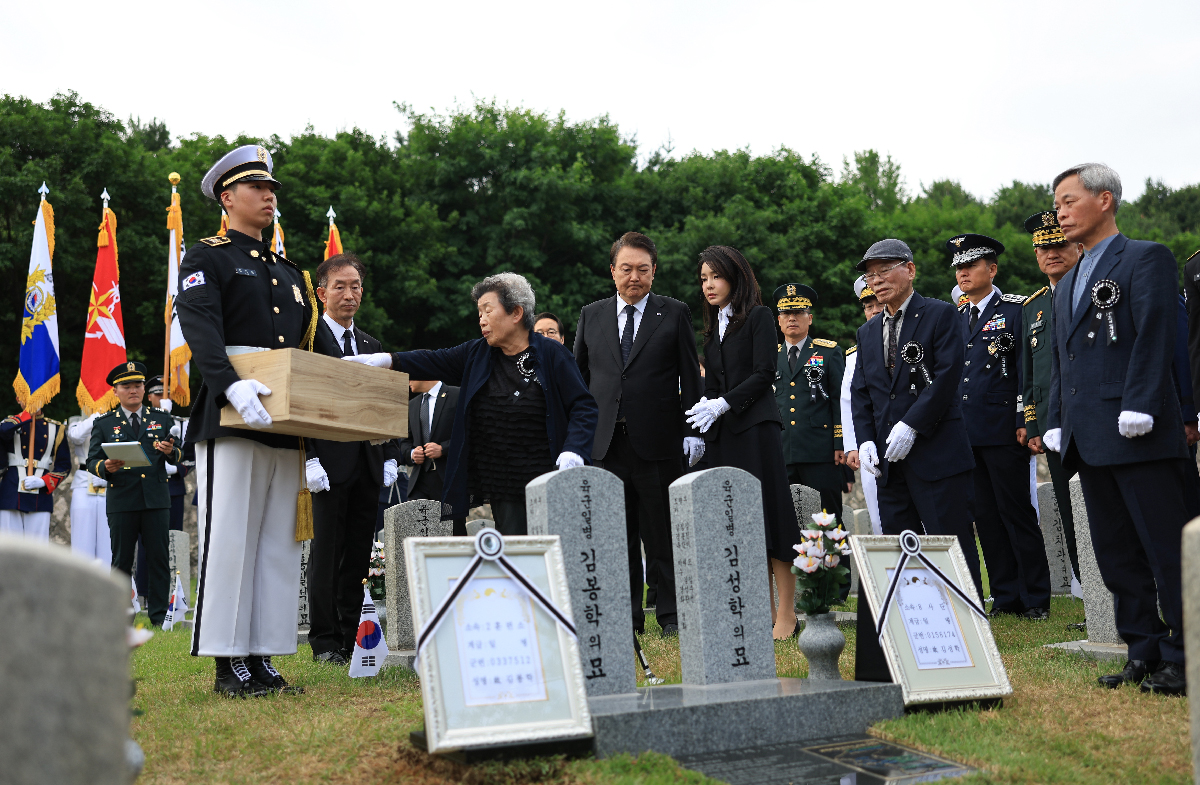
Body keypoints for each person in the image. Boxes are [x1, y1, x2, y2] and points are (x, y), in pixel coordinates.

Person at [175, 144, 316, 697]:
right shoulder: (206, 256)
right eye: (258, 188)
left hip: (283, 417)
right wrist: (228, 381)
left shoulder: (287, 270)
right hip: (230, 410)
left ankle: (262, 654)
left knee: (277, 542)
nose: (269, 196)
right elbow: (200, 326)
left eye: (272, 188)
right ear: (227, 197)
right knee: (230, 535)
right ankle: (226, 659)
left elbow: (308, 345)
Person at [1045, 162, 1190, 695]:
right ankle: (1143, 649)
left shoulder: (1145, 257)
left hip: (1140, 430)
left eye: (1068, 200)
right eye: (1056, 203)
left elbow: (1155, 333)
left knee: (1166, 550)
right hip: (1089, 437)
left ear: (1105, 199)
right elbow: (1063, 361)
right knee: (1117, 554)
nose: (1059, 212)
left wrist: (1143, 402)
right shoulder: (1068, 282)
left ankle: (1184, 655)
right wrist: (1057, 418)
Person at [346, 272, 598, 535]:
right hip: (504, 482)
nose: (482, 319)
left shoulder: (550, 353)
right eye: (479, 312)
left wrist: (574, 450)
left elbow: (583, 406)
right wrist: (387, 360)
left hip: (549, 476)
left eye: (488, 310)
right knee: (517, 555)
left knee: (556, 556)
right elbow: (433, 360)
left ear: (516, 313)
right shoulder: (478, 354)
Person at [573, 231, 704, 637]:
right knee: (617, 535)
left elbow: (690, 376)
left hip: (659, 441)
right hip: (606, 443)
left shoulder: (674, 312)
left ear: (654, 272)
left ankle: (671, 616)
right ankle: (626, 619)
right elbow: (580, 380)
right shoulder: (590, 315)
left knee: (662, 531)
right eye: (626, 269)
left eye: (642, 270)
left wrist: (691, 429)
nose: (634, 277)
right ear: (612, 271)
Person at [849, 239, 983, 599]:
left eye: (884, 270)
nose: (876, 281)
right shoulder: (866, 332)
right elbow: (862, 392)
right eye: (870, 275)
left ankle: (966, 611)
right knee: (899, 540)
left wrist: (912, 424)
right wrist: (864, 441)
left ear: (909, 269)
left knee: (948, 539)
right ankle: (916, 616)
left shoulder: (941, 314)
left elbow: (946, 377)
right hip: (889, 461)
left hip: (936, 451)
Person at [687, 246, 801, 640]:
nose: (708, 285)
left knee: (771, 515)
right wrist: (704, 412)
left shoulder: (758, 316)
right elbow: (712, 385)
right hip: (723, 434)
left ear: (735, 275)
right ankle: (759, 609)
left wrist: (723, 403)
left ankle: (787, 613)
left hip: (755, 430)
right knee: (739, 522)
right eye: (703, 279)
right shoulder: (711, 325)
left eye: (715, 277)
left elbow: (763, 372)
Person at [303, 253, 403, 666]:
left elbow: (381, 405)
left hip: (367, 462)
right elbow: (304, 402)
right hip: (326, 464)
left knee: (359, 552)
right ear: (321, 292)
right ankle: (324, 640)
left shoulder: (370, 345)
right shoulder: (308, 342)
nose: (349, 294)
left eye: (356, 286)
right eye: (340, 286)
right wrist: (308, 458)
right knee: (326, 552)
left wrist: (390, 454)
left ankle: (349, 634)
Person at [950, 233, 1052, 619]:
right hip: (966, 432)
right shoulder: (955, 316)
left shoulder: (1016, 309)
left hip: (1005, 428)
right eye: (958, 267)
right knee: (986, 520)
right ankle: (1006, 596)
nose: (963, 272)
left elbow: (1027, 368)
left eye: (970, 265)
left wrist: (1025, 418)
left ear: (991, 269)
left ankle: (1035, 596)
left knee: (1016, 513)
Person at [85, 362, 182, 626]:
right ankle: (120, 614)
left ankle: (160, 615)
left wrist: (169, 451)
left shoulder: (161, 418)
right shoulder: (104, 423)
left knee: (159, 558)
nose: (133, 391)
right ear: (115, 391)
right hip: (122, 498)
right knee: (121, 559)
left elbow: (180, 452)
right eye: (126, 386)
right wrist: (104, 467)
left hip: (155, 498)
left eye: (138, 385)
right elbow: (91, 460)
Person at [1021, 210, 1084, 582]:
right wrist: (1032, 423)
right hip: (1052, 424)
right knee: (1069, 509)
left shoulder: (1093, 289)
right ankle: (1091, 601)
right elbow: (1030, 373)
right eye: (1043, 248)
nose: (1051, 254)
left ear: (1077, 244)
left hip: (1093, 418)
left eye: (1058, 245)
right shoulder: (1034, 307)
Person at [773, 283, 845, 526]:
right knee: (790, 523)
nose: (792, 318)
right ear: (779, 320)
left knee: (828, 521)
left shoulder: (829, 352)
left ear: (810, 318)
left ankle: (835, 565)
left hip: (820, 451)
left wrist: (840, 443)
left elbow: (839, 401)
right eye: (786, 314)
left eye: (799, 313)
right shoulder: (770, 357)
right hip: (782, 452)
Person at [840, 278, 884, 534]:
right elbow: (848, 400)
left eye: (878, 303)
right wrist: (851, 446)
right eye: (869, 306)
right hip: (870, 445)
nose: (875, 310)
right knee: (878, 518)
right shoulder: (854, 355)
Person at [400, 378, 464, 533]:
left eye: (410, 376)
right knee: (417, 536)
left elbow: (470, 433)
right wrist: (412, 453)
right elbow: (403, 442)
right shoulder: (412, 405)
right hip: (419, 481)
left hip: (448, 480)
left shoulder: (457, 395)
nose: (407, 381)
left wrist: (443, 449)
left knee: (454, 535)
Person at [0, 408, 69, 540]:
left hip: (40, 494)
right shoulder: (10, 423)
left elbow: (64, 465)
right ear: (18, 399)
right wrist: (27, 414)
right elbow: (3, 432)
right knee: (9, 550)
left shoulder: (55, 428)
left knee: (38, 550)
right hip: (11, 493)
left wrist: (44, 481)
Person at [67, 411, 110, 562]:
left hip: (110, 482)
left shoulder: (118, 419)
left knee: (109, 544)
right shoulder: (77, 420)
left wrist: (110, 476)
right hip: (83, 483)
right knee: (81, 542)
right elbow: (76, 436)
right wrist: (94, 417)